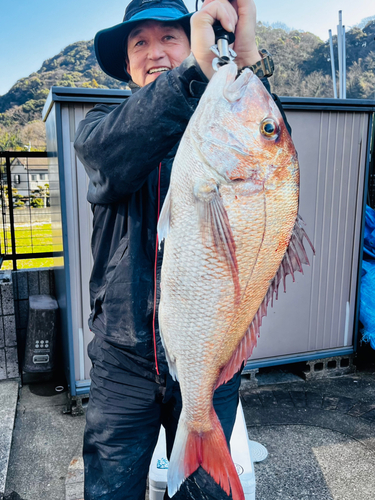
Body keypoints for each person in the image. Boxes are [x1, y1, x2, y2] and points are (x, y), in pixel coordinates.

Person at [74, 0, 290, 498]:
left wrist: (246, 54)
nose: (155, 52)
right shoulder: (102, 124)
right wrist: (194, 71)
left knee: (205, 492)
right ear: (126, 63)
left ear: (190, 43)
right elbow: (113, 155)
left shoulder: (218, 131)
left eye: (170, 38)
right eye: (139, 43)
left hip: (208, 356)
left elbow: (271, 149)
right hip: (121, 358)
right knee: (110, 489)